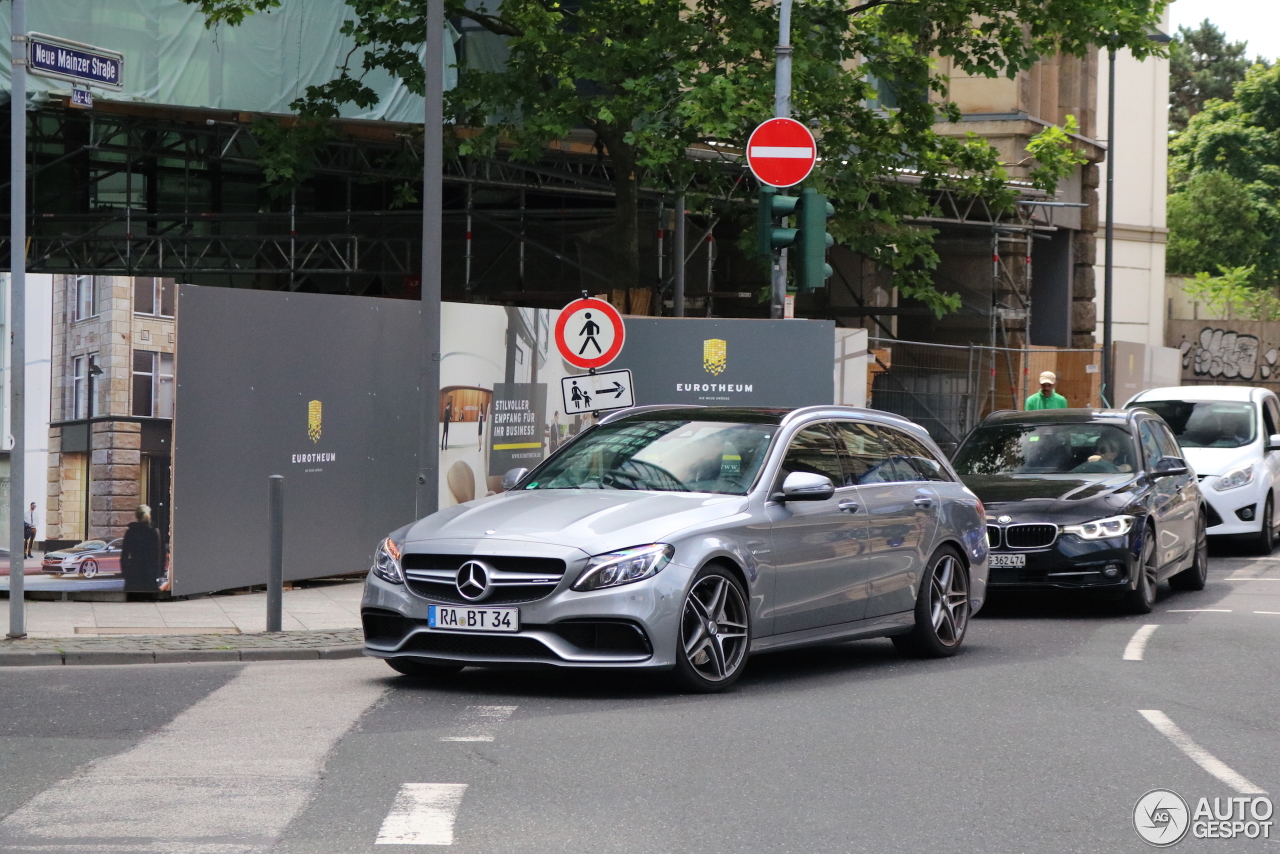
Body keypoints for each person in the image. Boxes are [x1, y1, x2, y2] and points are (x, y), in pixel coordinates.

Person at [121, 504, 163, 593]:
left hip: (134, 571)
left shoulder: (131, 531)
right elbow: (159, 554)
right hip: (150, 572)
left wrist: (125, 572)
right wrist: (159, 573)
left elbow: (124, 554)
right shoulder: (154, 531)